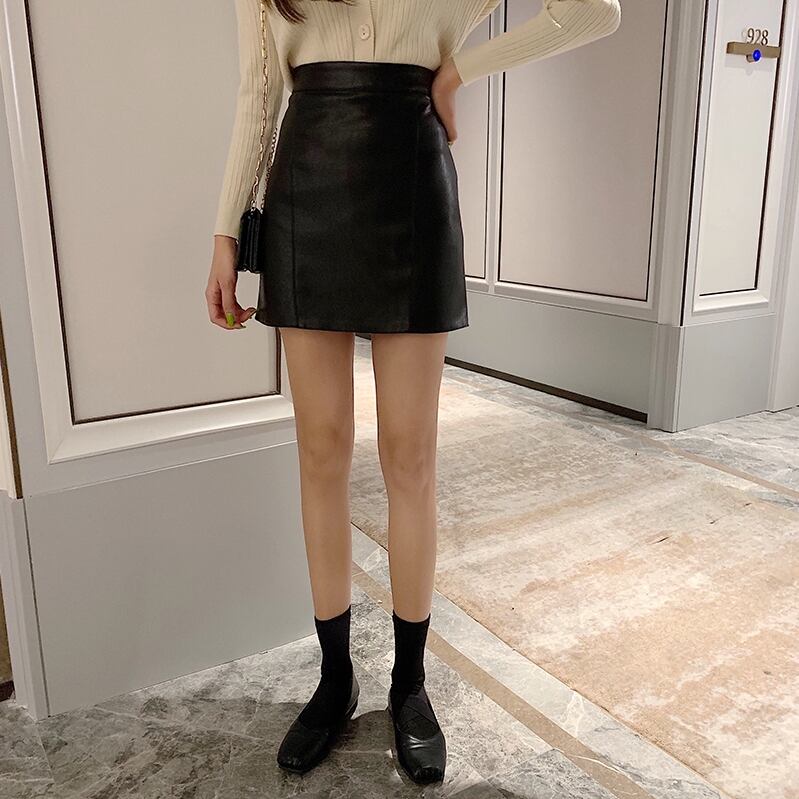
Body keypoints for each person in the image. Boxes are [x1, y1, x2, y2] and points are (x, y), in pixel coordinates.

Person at [205, 0, 621, 785]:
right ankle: (335, 678)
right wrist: (226, 229)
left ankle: (409, 682)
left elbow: (592, 11)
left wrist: (458, 70)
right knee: (320, 450)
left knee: (411, 457)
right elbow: (258, 92)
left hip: (412, 183)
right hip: (305, 186)